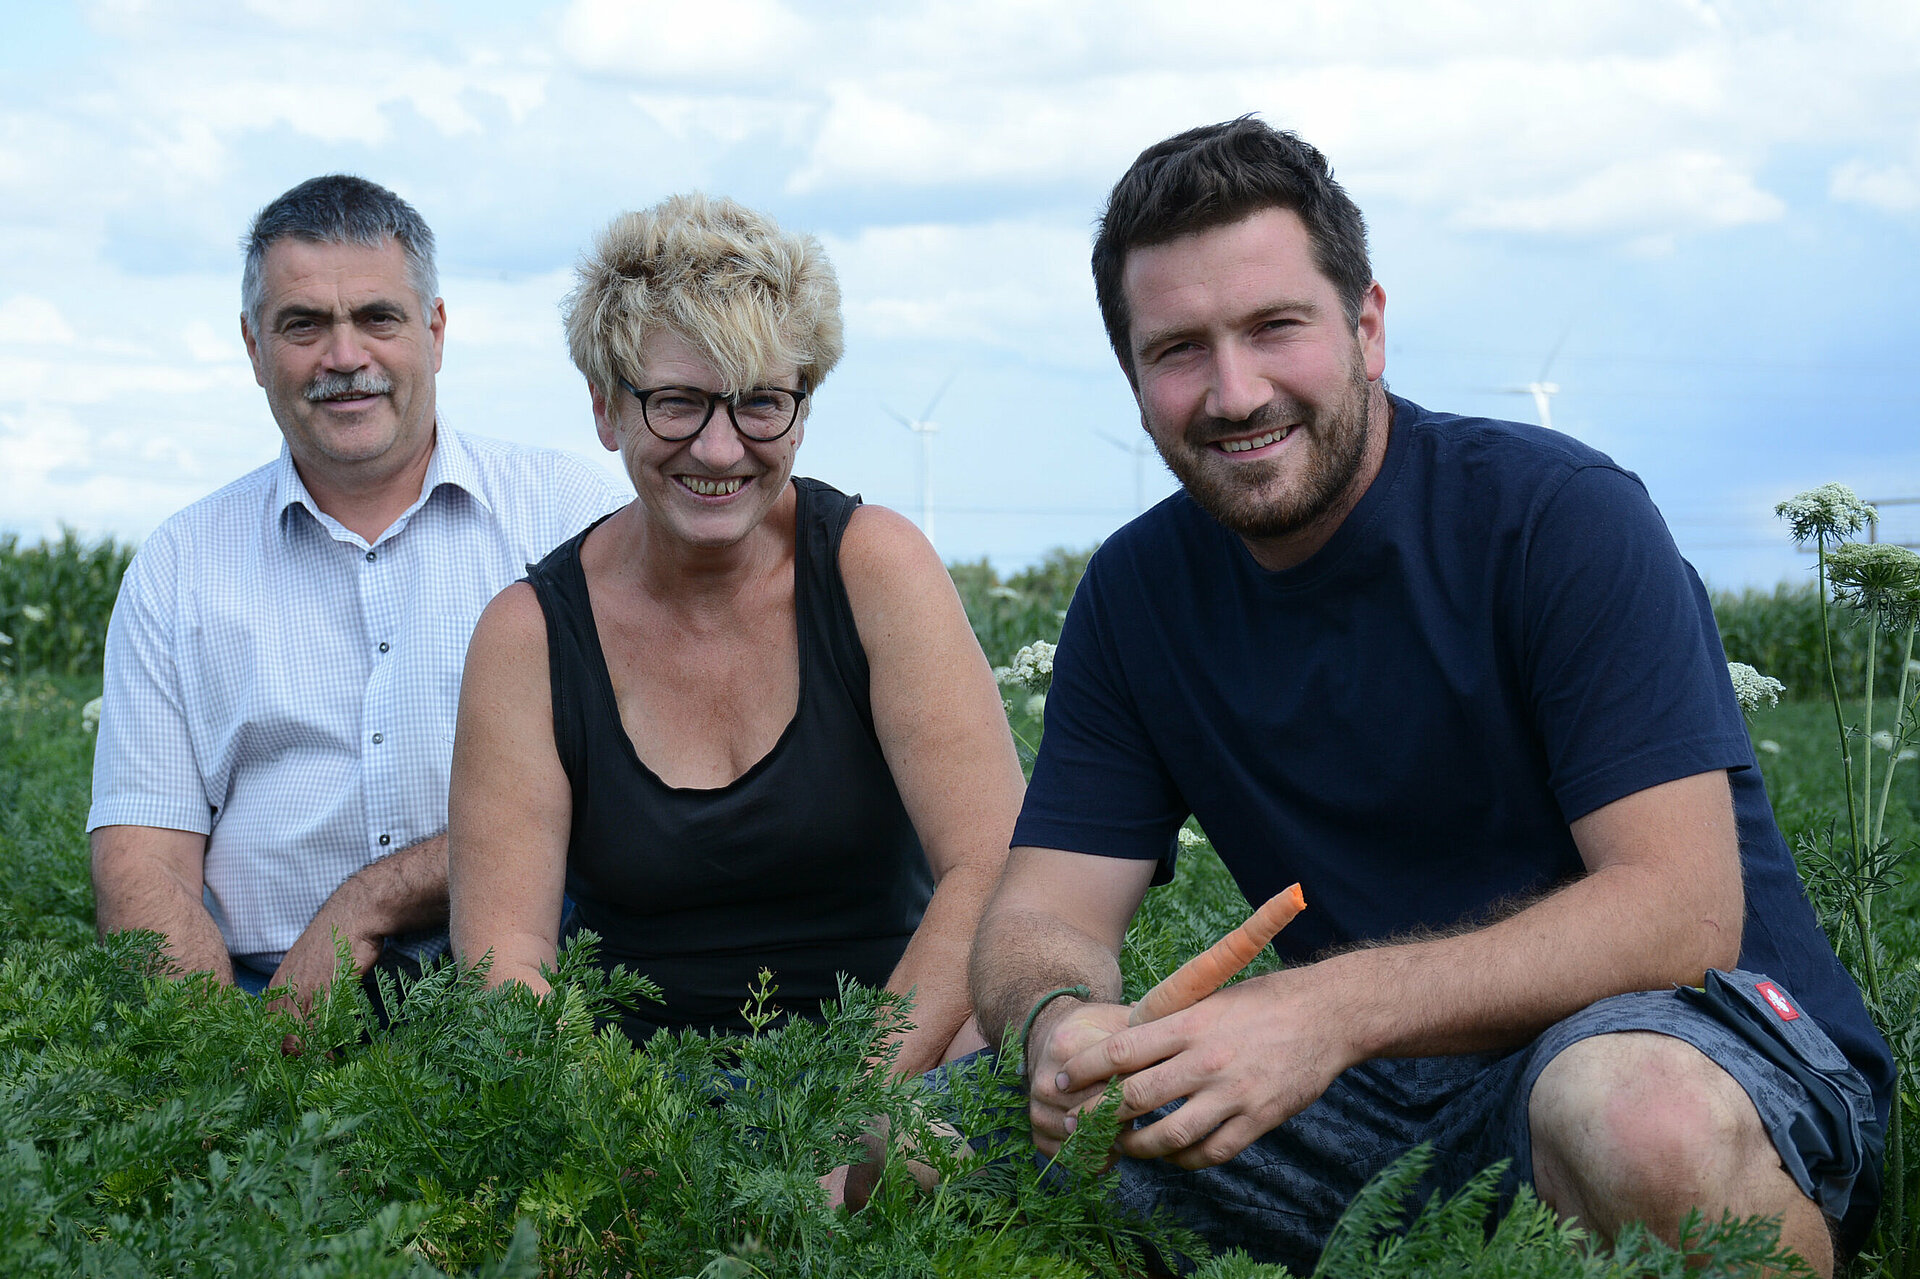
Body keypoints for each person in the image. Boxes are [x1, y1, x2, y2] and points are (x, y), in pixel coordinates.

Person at [968, 118, 1891, 1276]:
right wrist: (1060, 1026)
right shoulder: (1134, 594)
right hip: (1380, 1091)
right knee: (922, 1141)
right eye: (1179, 350)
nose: (1234, 390)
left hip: (1694, 1041)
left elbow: (1677, 914)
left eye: (1273, 328)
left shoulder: (1558, 518)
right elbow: (1042, 912)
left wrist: (1320, 1012)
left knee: (1631, 1115)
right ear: (1134, 379)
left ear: (1367, 327)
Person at [447, 193, 1023, 1078]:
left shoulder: (876, 570)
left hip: (896, 1061)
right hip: (645, 1095)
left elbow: (988, 867)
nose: (720, 450)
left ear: (804, 403)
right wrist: (618, 1131)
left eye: (761, 403)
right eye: (676, 403)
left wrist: (848, 1109)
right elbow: (507, 959)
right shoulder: (530, 635)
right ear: (606, 409)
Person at [89, 175, 625, 1011]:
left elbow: (624, 788)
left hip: (533, 994)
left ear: (436, 331)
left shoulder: (565, 515)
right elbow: (142, 859)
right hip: (269, 998)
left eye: (379, 317)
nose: (345, 357)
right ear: (252, 345)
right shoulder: (178, 567)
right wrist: (217, 1060)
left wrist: (372, 899)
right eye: (303, 325)